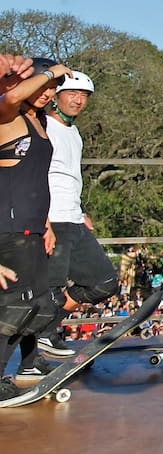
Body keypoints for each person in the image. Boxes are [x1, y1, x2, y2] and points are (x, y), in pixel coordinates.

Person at [0, 57, 73, 398]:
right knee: (14, 307)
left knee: (37, 302)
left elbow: (35, 177)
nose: (48, 92)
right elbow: (12, 98)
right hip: (9, 225)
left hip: (32, 225)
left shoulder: (39, 121)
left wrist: (47, 223)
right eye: (43, 86)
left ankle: (29, 361)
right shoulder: (8, 115)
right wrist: (49, 72)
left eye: (53, 89)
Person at [35, 70, 120, 361]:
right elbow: (34, 176)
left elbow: (69, 176)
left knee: (104, 281)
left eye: (84, 96)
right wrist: (43, 220)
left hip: (72, 217)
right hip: (52, 219)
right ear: (56, 96)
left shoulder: (73, 132)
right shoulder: (42, 126)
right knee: (49, 289)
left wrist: (81, 212)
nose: (78, 100)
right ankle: (34, 349)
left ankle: (46, 329)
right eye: (72, 93)